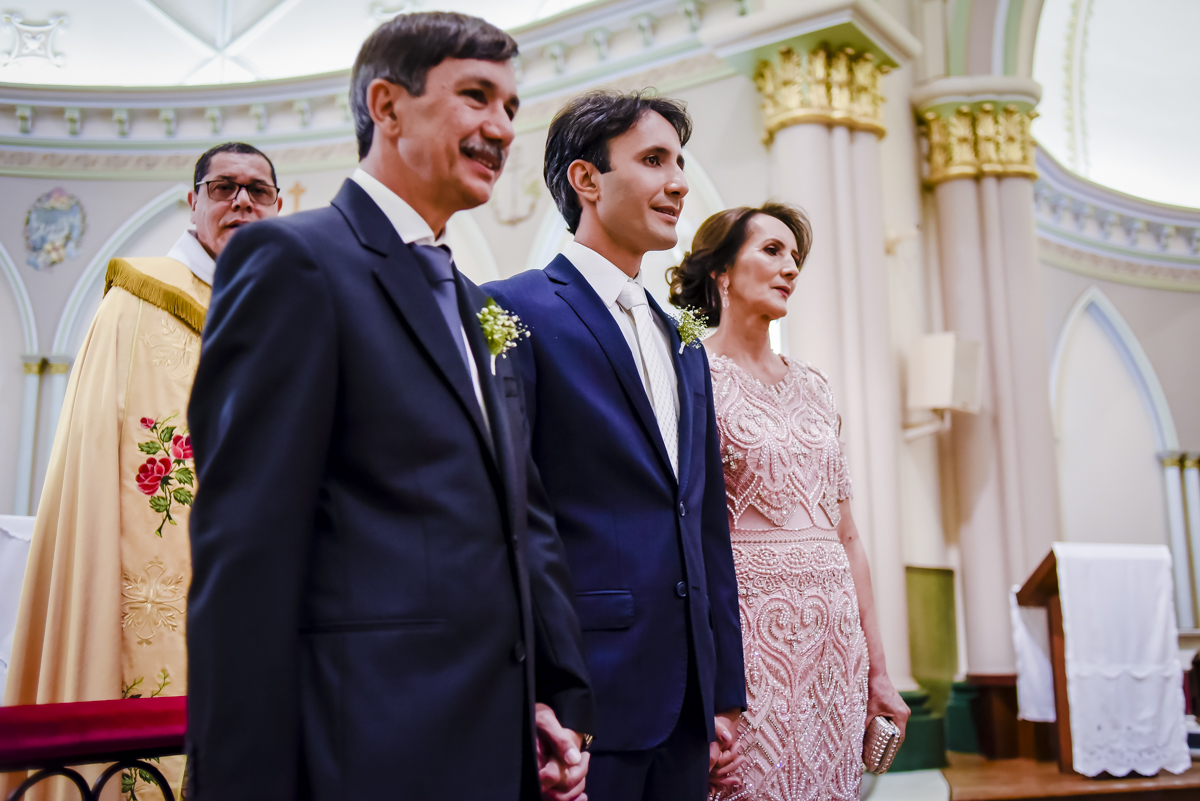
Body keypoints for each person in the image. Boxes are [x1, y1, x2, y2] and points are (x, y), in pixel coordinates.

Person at [184, 13, 592, 801]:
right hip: (364, 747)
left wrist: (545, 696)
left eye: (512, 106)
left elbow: (516, 516)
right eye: (477, 96)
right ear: (387, 105)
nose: (502, 128)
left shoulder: (470, 303)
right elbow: (246, 555)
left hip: (491, 739)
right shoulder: (293, 262)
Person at [485, 90, 745, 801]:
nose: (680, 182)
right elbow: (503, 508)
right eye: (654, 159)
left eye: (681, 162)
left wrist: (724, 688)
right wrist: (536, 692)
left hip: (690, 697)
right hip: (586, 694)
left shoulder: (683, 336)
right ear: (587, 180)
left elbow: (705, 519)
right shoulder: (510, 308)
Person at [0, 142, 281, 801]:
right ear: (193, 203)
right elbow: (100, 452)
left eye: (258, 190)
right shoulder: (138, 297)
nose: (241, 200)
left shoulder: (285, 305)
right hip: (156, 573)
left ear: (278, 205)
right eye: (223, 187)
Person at [668, 204, 910, 800]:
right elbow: (682, 540)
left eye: (794, 257)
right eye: (772, 251)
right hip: (748, 639)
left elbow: (847, 536)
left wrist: (879, 670)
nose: (790, 268)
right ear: (722, 271)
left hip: (834, 646)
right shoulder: (691, 377)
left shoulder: (814, 385)